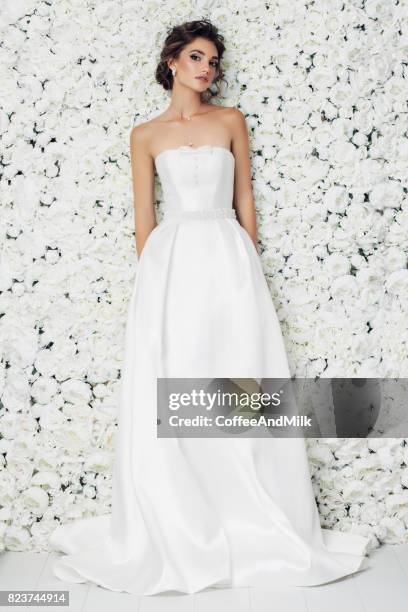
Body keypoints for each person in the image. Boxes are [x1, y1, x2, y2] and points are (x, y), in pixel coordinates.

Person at [49, 19, 371, 595]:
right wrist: (154, 286)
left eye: (213, 61)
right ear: (172, 61)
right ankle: (182, 520)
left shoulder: (230, 122)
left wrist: (248, 265)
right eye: (197, 58)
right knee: (179, 376)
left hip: (228, 257)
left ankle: (254, 513)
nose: (207, 69)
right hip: (172, 266)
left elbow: (244, 196)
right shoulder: (144, 134)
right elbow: (144, 220)